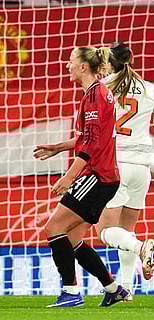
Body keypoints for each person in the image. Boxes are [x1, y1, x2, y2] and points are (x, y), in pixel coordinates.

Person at [33, 46, 129, 307]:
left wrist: (68, 177)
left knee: (54, 229)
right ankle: (113, 289)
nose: (67, 65)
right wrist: (57, 147)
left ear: (84, 67)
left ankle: (71, 292)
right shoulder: (95, 94)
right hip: (105, 177)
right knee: (72, 240)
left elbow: (91, 146)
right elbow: (86, 138)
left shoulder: (96, 96)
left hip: (97, 176)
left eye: (71, 60)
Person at [68, 42, 154, 300]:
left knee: (105, 231)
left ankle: (144, 248)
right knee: (125, 231)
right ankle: (126, 289)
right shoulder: (149, 89)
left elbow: (92, 135)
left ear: (108, 64)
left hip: (116, 164)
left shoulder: (101, 89)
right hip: (143, 167)